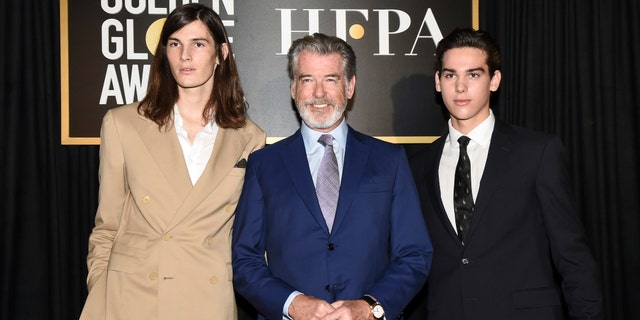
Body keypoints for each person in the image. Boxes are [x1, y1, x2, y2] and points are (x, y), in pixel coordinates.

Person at [79, 3, 265, 319]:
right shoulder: (122, 124)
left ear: (221, 53)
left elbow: (248, 236)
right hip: (132, 296)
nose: (184, 55)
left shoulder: (250, 137)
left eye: (198, 44)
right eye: (174, 43)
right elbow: (106, 225)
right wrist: (102, 286)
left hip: (207, 297)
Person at [232, 33, 433, 320]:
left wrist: (368, 307)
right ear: (293, 88)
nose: (318, 93)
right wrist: (292, 304)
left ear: (350, 86)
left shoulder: (389, 160)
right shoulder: (264, 164)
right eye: (307, 79)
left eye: (330, 79)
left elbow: (415, 255)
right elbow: (245, 260)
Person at [409, 28, 603, 319]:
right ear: (438, 82)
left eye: (473, 75)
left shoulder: (537, 152)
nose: (460, 87)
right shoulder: (418, 164)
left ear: (494, 80)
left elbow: (572, 256)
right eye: (450, 75)